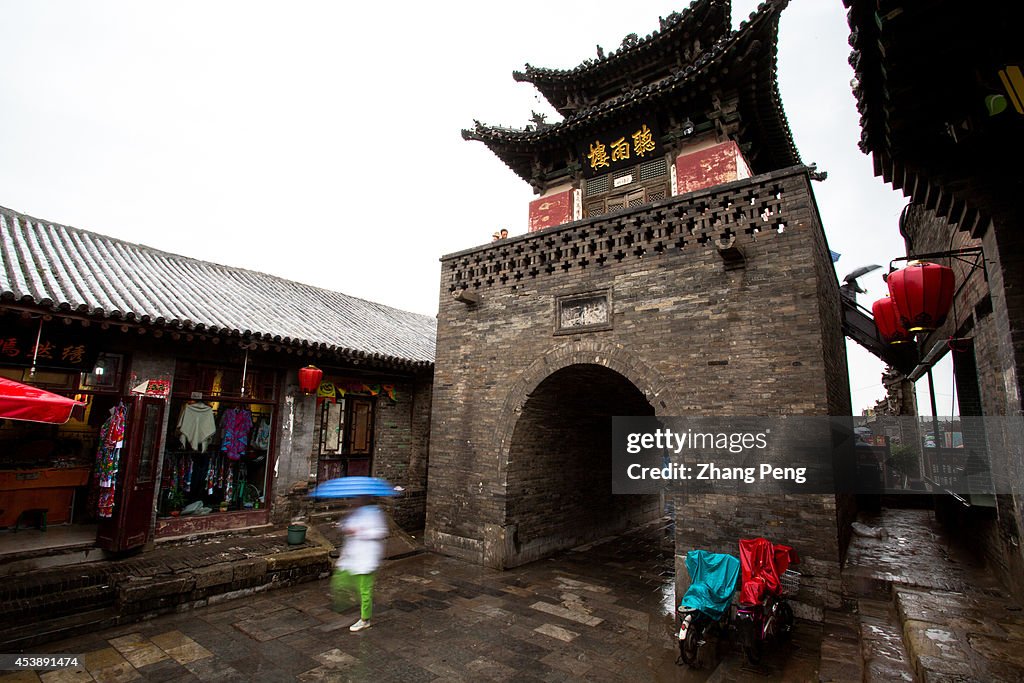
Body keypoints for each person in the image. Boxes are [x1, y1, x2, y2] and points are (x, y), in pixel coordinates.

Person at [332, 496, 388, 631]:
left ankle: (365, 619)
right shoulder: (354, 514)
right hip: (351, 557)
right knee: (339, 582)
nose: (354, 502)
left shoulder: (374, 514)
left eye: (357, 500)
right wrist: (344, 527)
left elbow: (381, 532)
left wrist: (360, 532)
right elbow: (346, 526)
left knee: (364, 590)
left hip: (367, 558)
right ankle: (347, 604)